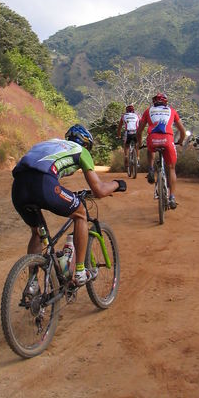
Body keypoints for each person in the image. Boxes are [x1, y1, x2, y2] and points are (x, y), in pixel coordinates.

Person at [11, 124, 126, 286]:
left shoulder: (46, 144)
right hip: (43, 183)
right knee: (80, 213)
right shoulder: (81, 151)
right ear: (86, 144)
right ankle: (80, 272)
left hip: (18, 187)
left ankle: (32, 284)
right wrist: (117, 184)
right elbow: (99, 190)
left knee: (37, 232)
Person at [137, 92, 186, 210]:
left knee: (150, 148)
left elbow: (139, 131)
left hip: (152, 140)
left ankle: (150, 169)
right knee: (172, 168)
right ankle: (172, 197)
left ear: (154, 102)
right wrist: (180, 140)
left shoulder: (148, 111)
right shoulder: (172, 111)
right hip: (168, 140)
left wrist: (139, 144)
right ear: (165, 102)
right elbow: (182, 131)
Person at [116, 104, 141, 170]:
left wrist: (118, 135)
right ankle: (138, 159)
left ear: (126, 111)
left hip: (128, 132)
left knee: (126, 145)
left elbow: (119, 127)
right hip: (136, 132)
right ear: (133, 111)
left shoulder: (123, 116)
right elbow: (141, 124)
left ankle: (126, 156)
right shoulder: (137, 115)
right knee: (137, 145)